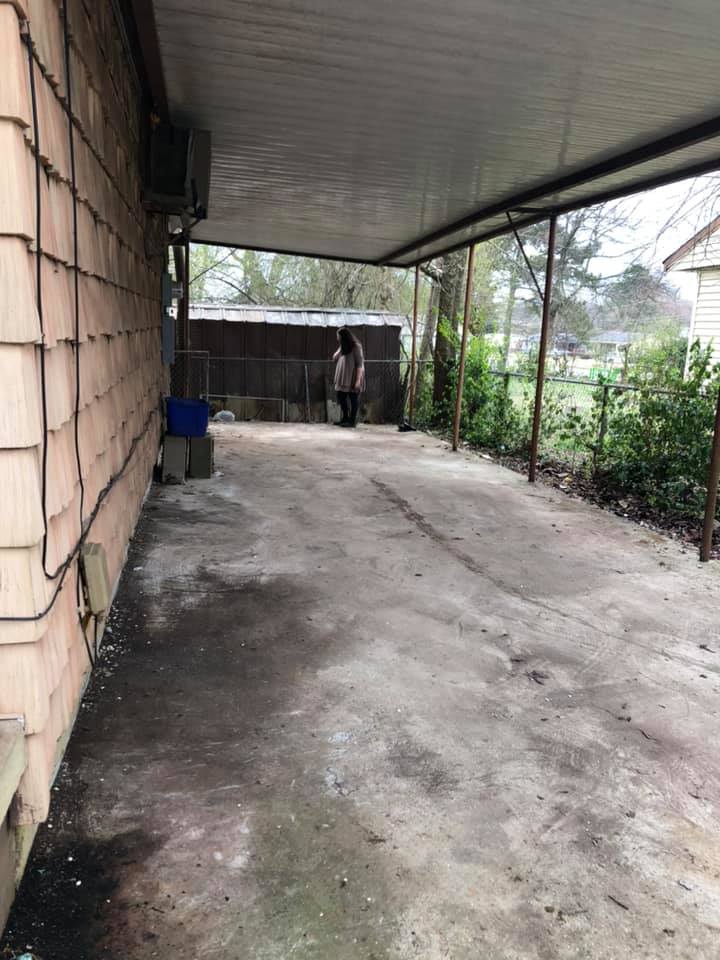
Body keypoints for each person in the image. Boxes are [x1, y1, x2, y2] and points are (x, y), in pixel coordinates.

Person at [332, 327, 365, 427]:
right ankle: (345, 418)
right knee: (341, 396)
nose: (337, 338)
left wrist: (358, 381)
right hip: (343, 376)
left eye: (339, 336)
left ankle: (352, 421)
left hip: (353, 376)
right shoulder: (343, 346)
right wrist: (340, 348)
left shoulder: (356, 347)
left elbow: (360, 364)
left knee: (353, 398)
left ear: (344, 336)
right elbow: (334, 358)